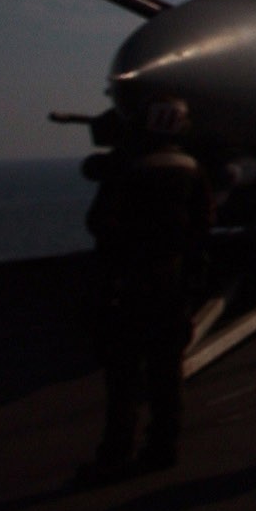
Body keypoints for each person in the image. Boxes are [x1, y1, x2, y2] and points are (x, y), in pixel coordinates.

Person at [78, 98, 212, 481]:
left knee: (122, 378)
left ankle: (115, 454)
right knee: (166, 375)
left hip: (128, 285)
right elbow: (203, 226)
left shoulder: (129, 167)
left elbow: (100, 222)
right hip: (172, 286)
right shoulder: (192, 169)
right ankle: (163, 448)